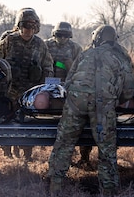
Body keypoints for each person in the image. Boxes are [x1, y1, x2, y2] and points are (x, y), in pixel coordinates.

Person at [48, 25, 134, 196]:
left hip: (76, 102)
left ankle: (55, 185)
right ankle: (108, 190)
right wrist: (115, 101)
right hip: (102, 106)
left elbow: (68, 81)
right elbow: (129, 90)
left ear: (96, 38)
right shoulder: (121, 57)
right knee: (106, 149)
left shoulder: (85, 53)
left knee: (64, 143)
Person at [0, 7, 54, 159]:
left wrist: (44, 90)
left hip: (30, 92)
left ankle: (27, 153)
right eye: (25, 26)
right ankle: (7, 152)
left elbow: (48, 67)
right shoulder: (9, 40)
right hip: (9, 90)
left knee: (28, 122)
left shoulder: (40, 44)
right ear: (19, 25)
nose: (29, 30)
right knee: (7, 120)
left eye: (32, 26)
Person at [44, 22, 92, 166]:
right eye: (59, 35)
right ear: (54, 34)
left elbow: (80, 69)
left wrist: (67, 66)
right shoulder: (46, 45)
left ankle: (84, 157)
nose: (62, 38)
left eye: (65, 35)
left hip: (70, 87)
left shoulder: (75, 48)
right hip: (49, 85)